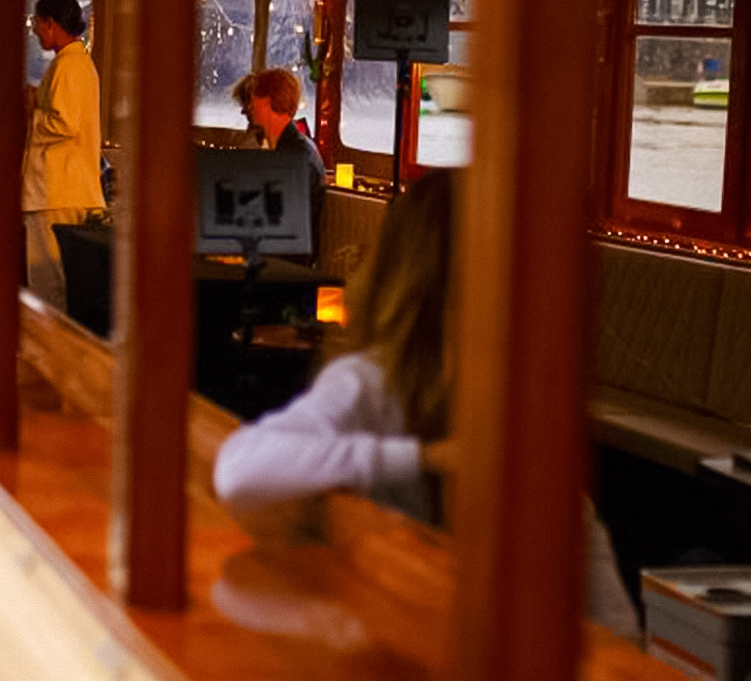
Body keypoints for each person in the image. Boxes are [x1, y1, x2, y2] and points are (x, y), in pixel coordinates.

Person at [214, 171, 640, 638]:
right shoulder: (374, 386)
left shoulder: (521, 409)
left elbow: (614, 625)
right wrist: (426, 457)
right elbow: (241, 470)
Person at [21, 0, 104, 311]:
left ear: (51, 24)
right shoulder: (75, 64)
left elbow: (65, 124)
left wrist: (32, 111)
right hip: (64, 191)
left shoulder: (69, 66)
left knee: (48, 286)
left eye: (37, 24)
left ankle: (49, 339)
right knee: (58, 283)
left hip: (55, 192)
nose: (35, 32)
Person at [245, 68, 325, 250]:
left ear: (266, 102)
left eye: (253, 98)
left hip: (286, 256)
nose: (249, 106)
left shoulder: (297, 156)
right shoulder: (289, 147)